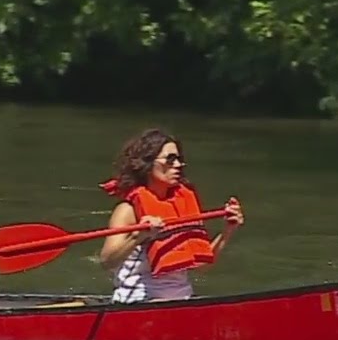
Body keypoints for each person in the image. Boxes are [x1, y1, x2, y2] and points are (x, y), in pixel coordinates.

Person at [97, 128, 244, 303]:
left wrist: (228, 230)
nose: (178, 165)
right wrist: (139, 235)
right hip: (140, 302)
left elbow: (201, 266)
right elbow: (107, 261)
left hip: (182, 299)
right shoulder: (127, 210)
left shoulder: (181, 205)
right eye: (170, 159)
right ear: (148, 163)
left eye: (179, 159)